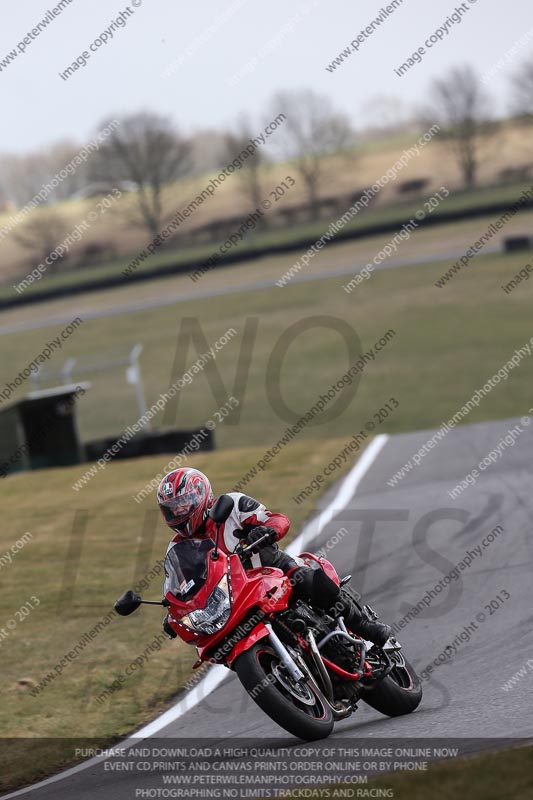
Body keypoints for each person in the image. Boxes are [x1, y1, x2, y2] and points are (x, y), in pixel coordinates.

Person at [157, 467, 390, 646]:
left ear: (200, 495)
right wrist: (175, 615)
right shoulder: (178, 548)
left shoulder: (232, 504)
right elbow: (184, 587)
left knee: (307, 579)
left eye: (182, 504)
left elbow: (278, 519)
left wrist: (268, 530)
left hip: (273, 568)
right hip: (234, 596)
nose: (178, 512)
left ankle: (365, 627)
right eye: (172, 509)